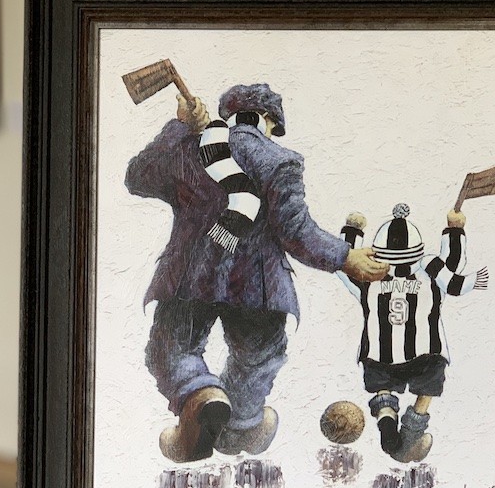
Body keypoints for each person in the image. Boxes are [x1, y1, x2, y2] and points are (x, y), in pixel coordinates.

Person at [125, 83, 387, 463]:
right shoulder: (280, 160)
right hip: (258, 286)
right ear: (269, 121)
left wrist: (179, 127)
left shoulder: (190, 148)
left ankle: (199, 394)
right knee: (257, 359)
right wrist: (346, 257)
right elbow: (296, 231)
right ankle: (242, 427)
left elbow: (137, 177)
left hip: (188, 277)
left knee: (173, 349)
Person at [335, 204, 488, 463]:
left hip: (379, 355)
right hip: (425, 352)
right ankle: (409, 436)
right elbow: (453, 264)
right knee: (429, 383)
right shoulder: (431, 272)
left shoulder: (367, 277)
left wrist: (352, 230)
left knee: (382, 385)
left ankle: (386, 421)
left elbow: (344, 264)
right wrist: (454, 229)